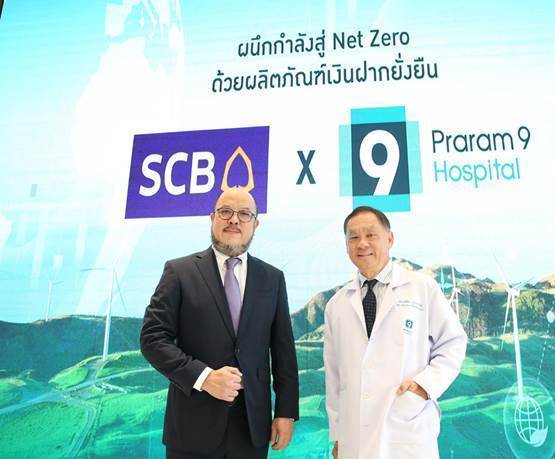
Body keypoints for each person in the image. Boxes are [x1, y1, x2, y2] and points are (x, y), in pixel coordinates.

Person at [140, 188, 299, 459]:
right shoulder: (179, 272)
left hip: (251, 429)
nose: (234, 219)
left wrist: (286, 411)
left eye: (244, 214)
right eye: (225, 212)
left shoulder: (272, 278)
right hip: (191, 427)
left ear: (255, 224)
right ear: (212, 218)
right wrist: (204, 378)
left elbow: (283, 351)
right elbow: (153, 339)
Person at [324, 206, 467, 459]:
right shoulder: (336, 305)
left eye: (371, 235)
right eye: (353, 237)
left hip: (407, 431)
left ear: (389, 239)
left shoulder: (422, 288)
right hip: (354, 437)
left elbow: (453, 343)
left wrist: (424, 385)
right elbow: (334, 376)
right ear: (346, 246)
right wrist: (338, 434)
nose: (362, 243)